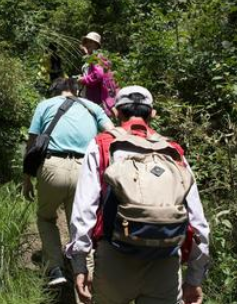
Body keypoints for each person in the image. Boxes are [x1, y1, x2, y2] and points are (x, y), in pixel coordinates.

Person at [66, 86, 210, 304]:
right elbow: (198, 222)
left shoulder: (103, 145)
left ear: (116, 112)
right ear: (152, 113)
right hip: (165, 262)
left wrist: (80, 264)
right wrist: (194, 277)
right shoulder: (173, 152)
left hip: (115, 259)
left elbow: (84, 210)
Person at [23, 78, 114, 287]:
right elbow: (111, 132)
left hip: (52, 166)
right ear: (76, 90)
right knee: (81, 223)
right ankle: (86, 275)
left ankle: (55, 269)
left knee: (46, 218)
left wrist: (26, 178)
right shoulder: (92, 107)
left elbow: (31, 143)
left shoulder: (44, 105)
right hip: (86, 170)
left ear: (55, 92)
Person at [78, 31, 118, 117]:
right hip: (93, 96)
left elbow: (99, 75)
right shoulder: (92, 57)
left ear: (96, 45)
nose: (88, 44)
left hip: (98, 97)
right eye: (87, 42)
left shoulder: (98, 57)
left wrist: (84, 80)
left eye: (91, 42)